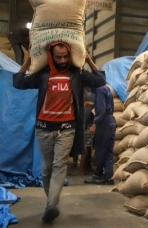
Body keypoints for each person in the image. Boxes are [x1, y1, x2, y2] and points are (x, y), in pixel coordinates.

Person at [13, 42, 106, 223]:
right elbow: (18, 82)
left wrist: (88, 59)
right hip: (44, 129)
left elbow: (100, 81)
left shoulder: (76, 74)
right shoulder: (43, 75)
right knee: (46, 169)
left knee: (59, 166)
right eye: (58, 57)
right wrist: (27, 61)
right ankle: (51, 203)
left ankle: (52, 205)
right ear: (51, 56)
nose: (62, 60)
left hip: (66, 130)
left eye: (65, 57)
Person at [84, 85, 116, 185]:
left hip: (104, 122)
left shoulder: (98, 90)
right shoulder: (106, 88)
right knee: (108, 150)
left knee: (100, 149)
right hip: (110, 120)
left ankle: (98, 175)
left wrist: (95, 124)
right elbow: (109, 105)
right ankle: (108, 175)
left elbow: (101, 109)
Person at [79, 88, 95, 175]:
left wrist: (83, 125)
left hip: (88, 124)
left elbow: (87, 113)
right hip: (87, 123)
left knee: (86, 146)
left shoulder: (89, 95)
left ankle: (82, 168)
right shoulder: (85, 95)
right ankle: (86, 167)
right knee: (87, 146)